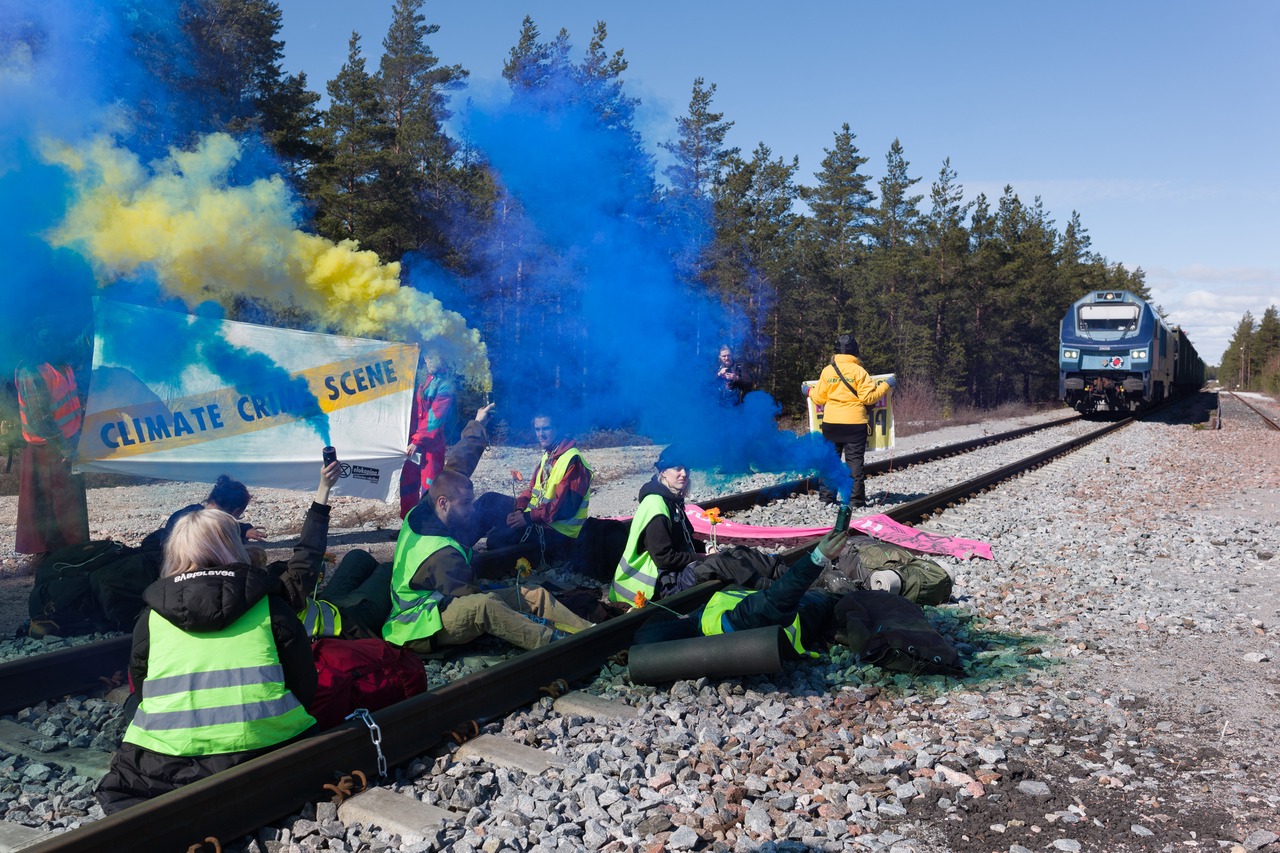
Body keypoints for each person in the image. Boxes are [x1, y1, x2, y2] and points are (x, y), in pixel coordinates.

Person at [95, 462, 341, 814]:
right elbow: (305, 684)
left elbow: (141, 686)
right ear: (234, 549)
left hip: (164, 765)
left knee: (136, 705)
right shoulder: (269, 605)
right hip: (264, 748)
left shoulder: (152, 615)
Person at [384, 403, 593, 655]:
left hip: (441, 602)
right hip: (419, 626)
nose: (472, 510)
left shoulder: (428, 503)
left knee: (534, 594)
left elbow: (457, 465)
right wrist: (506, 599)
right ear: (443, 503)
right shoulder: (443, 555)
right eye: (466, 504)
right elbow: (470, 595)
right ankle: (560, 646)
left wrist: (478, 423)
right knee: (488, 605)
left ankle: (590, 631)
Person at [632, 528, 849, 654]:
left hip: (805, 606)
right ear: (681, 621)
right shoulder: (725, 624)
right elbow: (776, 602)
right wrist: (817, 557)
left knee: (735, 557)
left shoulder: (707, 619)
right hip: (814, 610)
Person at [473, 410, 592, 561]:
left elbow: (566, 508)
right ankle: (452, 547)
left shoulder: (573, 461)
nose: (541, 434)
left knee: (496, 539)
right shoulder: (549, 455)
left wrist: (528, 518)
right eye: (537, 429)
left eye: (546, 429)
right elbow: (531, 490)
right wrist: (519, 510)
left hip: (557, 535)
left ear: (558, 428)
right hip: (538, 520)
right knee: (488, 501)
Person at [14, 324, 89, 559]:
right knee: (50, 505)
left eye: (58, 338)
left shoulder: (63, 366)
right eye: (49, 339)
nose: (57, 343)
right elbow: (40, 419)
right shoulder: (32, 372)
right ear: (38, 342)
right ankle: (48, 558)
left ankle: (74, 552)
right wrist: (65, 447)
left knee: (70, 503)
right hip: (47, 449)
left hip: (67, 443)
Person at [608, 445, 707, 606]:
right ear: (663, 472)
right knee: (715, 570)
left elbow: (683, 539)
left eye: (686, 469)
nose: (684, 474)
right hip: (645, 591)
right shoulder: (656, 505)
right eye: (677, 468)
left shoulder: (670, 500)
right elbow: (664, 558)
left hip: (660, 577)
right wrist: (702, 557)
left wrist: (706, 549)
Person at [805, 333, 894, 507]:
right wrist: (886, 384)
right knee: (855, 464)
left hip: (831, 425)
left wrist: (808, 391)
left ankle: (827, 499)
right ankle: (855, 501)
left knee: (830, 461)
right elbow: (869, 399)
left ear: (836, 351)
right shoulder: (859, 371)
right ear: (855, 351)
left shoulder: (828, 371)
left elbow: (820, 398)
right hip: (855, 425)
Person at [140, 475, 266, 553]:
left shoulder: (188, 512)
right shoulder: (208, 529)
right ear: (236, 511)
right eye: (239, 515)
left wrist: (243, 530)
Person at [399, 354, 457, 519]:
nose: (430, 360)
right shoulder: (422, 379)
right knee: (408, 484)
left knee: (429, 487)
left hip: (431, 446)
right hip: (412, 443)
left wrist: (417, 440)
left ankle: (427, 527)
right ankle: (408, 525)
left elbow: (435, 418)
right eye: (428, 357)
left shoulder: (446, 384)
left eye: (435, 357)